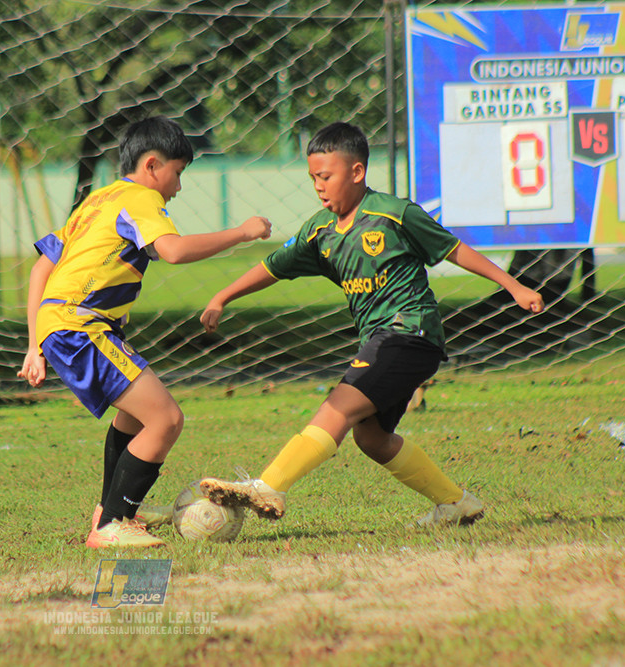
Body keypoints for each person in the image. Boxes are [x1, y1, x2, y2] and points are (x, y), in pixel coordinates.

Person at [197, 121, 544, 527]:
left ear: (357, 172)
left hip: (410, 332)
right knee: (372, 438)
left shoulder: (395, 214)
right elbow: (273, 267)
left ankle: (269, 486)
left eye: (326, 176)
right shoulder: (319, 231)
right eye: (313, 178)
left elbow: (454, 249)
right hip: (382, 340)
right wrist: (223, 297)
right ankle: (455, 503)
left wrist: (514, 285)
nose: (319, 186)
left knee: (338, 407)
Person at [17, 116, 272, 548]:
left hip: (65, 324)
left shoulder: (99, 199)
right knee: (166, 419)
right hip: (81, 325)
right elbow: (171, 251)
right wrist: (242, 233)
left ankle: (111, 511)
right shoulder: (139, 198)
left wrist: (33, 344)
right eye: (177, 174)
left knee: (134, 416)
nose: (178, 187)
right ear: (153, 165)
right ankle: (111, 525)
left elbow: (43, 266)